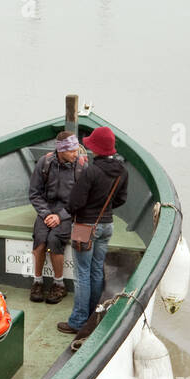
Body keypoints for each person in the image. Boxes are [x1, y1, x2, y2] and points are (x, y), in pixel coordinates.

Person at [57, 126, 129, 336]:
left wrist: (67, 212)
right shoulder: (122, 171)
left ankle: (78, 321)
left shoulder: (91, 171)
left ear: (96, 149)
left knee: (82, 275)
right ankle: (92, 317)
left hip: (86, 228)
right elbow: (121, 199)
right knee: (97, 271)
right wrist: (103, 209)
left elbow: (75, 203)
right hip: (107, 225)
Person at [28, 131, 88, 304]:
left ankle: (59, 284)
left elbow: (82, 199)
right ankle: (37, 281)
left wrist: (60, 216)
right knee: (39, 241)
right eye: (72, 151)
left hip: (68, 212)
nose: (76, 154)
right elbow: (34, 193)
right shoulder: (44, 163)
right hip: (46, 209)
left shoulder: (81, 166)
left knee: (54, 240)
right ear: (61, 151)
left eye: (77, 149)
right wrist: (47, 214)